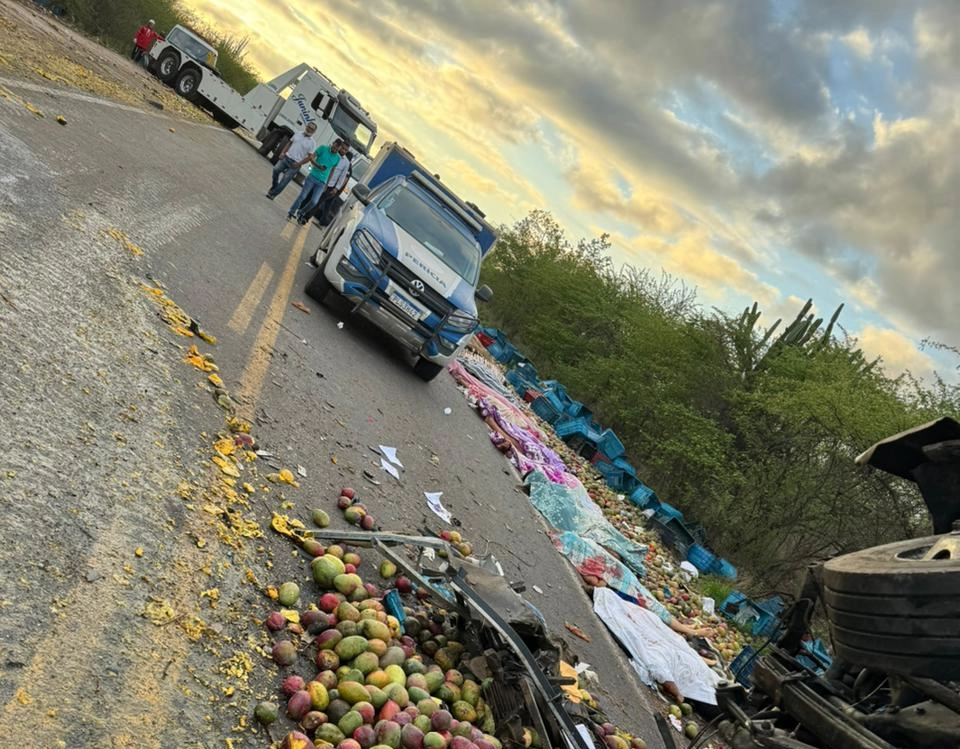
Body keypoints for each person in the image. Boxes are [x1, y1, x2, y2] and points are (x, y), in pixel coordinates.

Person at [287, 139, 343, 224]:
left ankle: (301, 212)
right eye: (334, 146)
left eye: (337, 148)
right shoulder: (323, 148)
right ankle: (291, 212)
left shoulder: (337, 158)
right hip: (312, 177)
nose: (335, 149)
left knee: (314, 201)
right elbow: (311, 157)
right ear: (332, 144)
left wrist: (327, 184)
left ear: (339, 149)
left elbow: (332, 170)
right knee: (302, 196)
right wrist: (317, 165)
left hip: (322, 182)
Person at [265, 122, 318, 200]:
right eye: (309, 127)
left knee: (284, 180)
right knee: (275, 170)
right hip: (286, 157)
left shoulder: (312, 143)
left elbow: (309, 157)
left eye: (312, 129)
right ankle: (275, 186)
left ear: (314, 132)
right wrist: (283, 152)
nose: (309, 129)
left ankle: (272, 194)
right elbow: (289, 143)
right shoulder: (298, 133)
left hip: (295, 164)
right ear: (306, 126)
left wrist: (299, 164)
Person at [303, 146, 353, 225]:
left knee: (318, 202)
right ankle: (301, 211)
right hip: (321, 179)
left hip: (330, 186)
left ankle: (306, 218)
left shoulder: (346, 163)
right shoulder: (332, 155)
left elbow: (343, 177)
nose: (343, 150)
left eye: (345, 150)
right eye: (343, 148)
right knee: (310, 197)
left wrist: (336, 189)